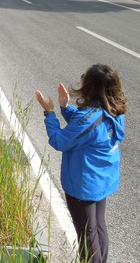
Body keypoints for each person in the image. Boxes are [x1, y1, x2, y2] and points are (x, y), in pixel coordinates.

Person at [35, 64, 126, 263]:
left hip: (83, 184)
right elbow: (86, 126)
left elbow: (60, 140)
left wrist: (50, 114)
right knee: (97, 226)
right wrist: (66, 108)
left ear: (90, 87)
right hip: (102, 179)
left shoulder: (89, 119)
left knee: (86, 233)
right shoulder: (114, 111)